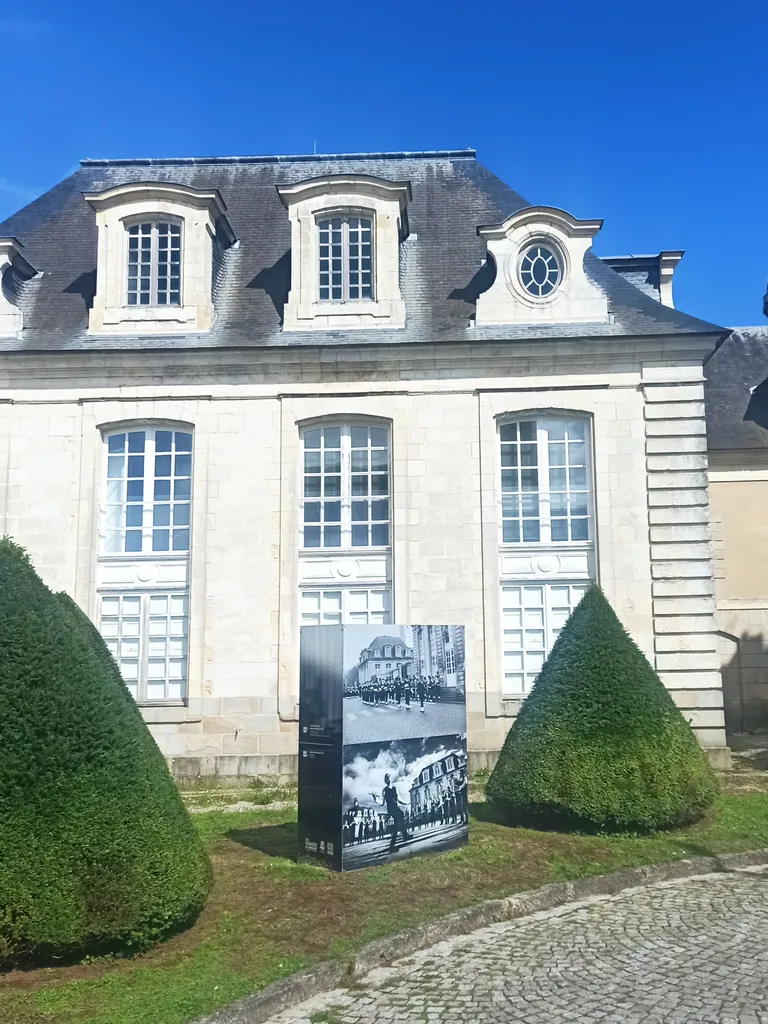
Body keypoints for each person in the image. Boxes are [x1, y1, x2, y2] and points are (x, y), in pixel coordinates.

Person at [370, 773, 412, 851]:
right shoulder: (384, 790)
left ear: (391, 779)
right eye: (386, 778)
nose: (388, 779)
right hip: (391, 810)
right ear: (385, 780)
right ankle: (404, 835)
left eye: (389, 777)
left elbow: (399, 799)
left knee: (396, 825)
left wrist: (406, 802)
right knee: (400, 814)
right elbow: (382, 803)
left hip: (395, 808)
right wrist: (375, 799)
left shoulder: (395, 789)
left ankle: (393, 845)